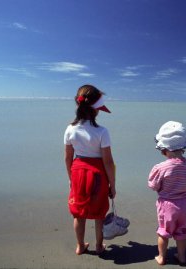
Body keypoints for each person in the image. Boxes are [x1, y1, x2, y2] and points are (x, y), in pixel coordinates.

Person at [64, 84, 116, 255]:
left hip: (78, 172)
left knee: (79, 213)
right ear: (96, 110)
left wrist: (71, 178)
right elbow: (108, 161)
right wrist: (112, 185)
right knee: (100, 213)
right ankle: (99, 246)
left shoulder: (70, 129)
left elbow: (67, 157)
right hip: (98, 174)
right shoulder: (102, 132)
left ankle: (80, 246)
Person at [148, 121, 186, 266]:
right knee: (181, 231)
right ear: (184, 147)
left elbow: (152, 185)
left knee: (163, 231)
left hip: (166, 204)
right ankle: (182, 257)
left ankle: (162, 257)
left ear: (163, 149)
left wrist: (162, 189)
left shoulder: (160, 168)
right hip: (183, 203)